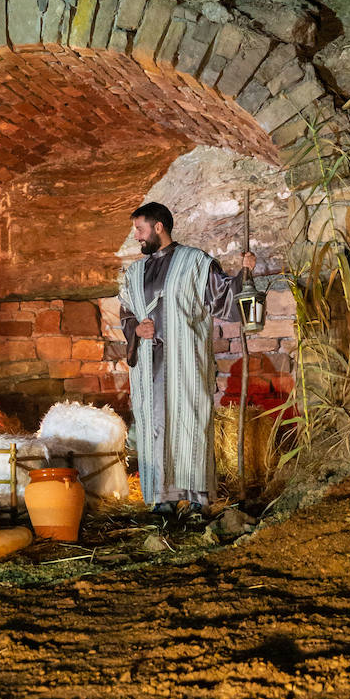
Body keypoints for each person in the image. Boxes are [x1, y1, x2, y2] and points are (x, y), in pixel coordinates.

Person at [119, 201, 256, 517]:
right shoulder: (135, 272)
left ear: (158, 227)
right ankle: (162, 498)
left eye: (139, 229)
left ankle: (196, 498)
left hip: (186, 361)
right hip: (150, 368)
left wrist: (245, 274)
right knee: (155, 426)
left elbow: (224, 298)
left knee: (191, 423)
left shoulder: (195, 262)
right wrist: (137, 329)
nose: (137, 237)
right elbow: (126, 311)